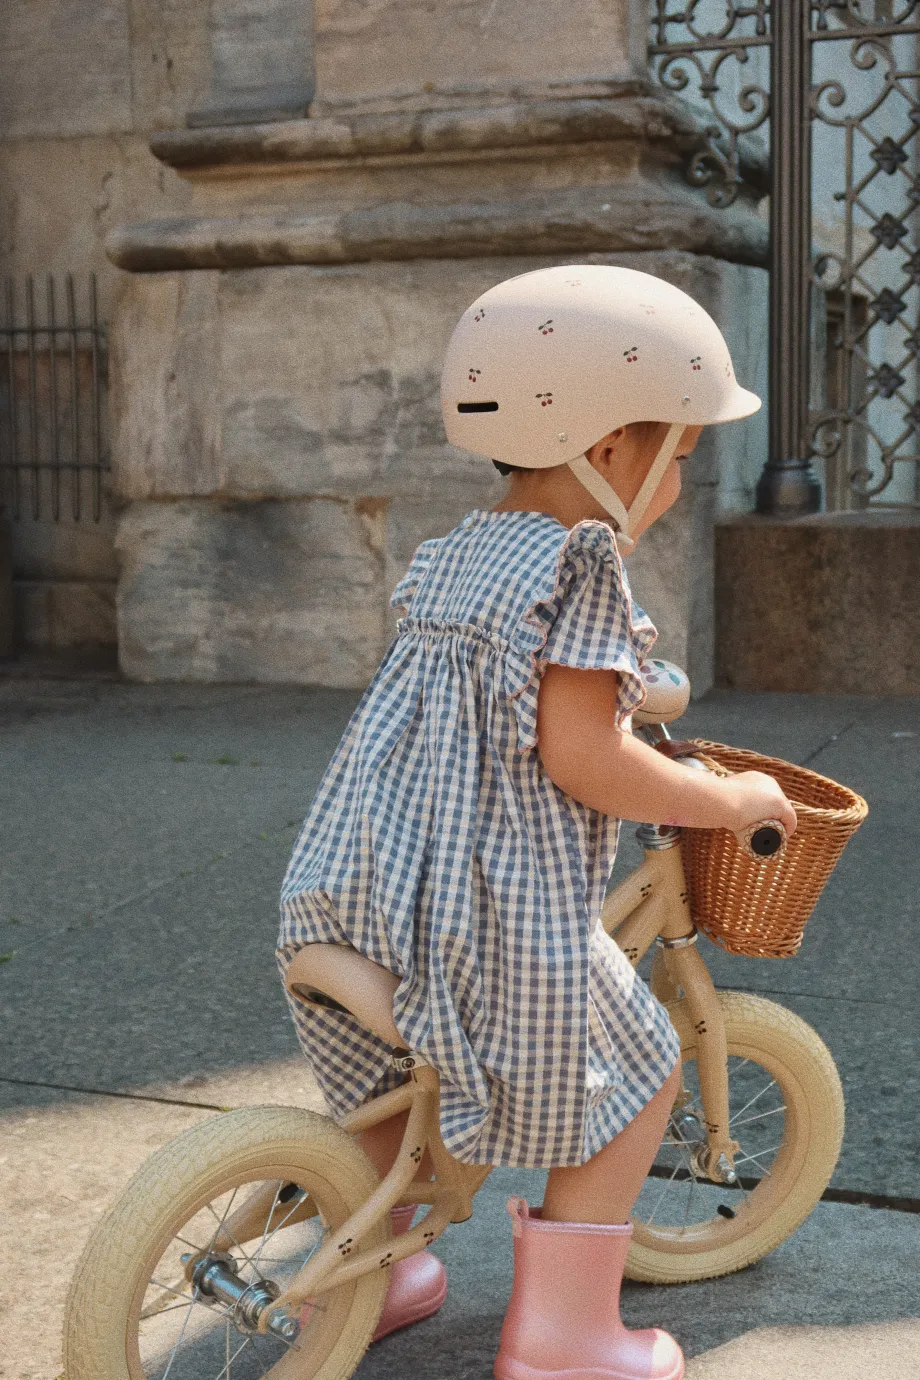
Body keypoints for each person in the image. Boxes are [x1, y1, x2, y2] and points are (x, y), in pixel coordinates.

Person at [277, 264, 797, 1380]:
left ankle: (384, 1261)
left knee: (385, 1078)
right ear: (609, 449)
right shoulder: (581, 560)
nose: (671, 485)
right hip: (481, 912)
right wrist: (723, 798)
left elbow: (491, 687)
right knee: (642, 1066)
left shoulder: (457, 551)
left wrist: (633, 684)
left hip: (352, 883)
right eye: (677, 458)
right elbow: (581, 754)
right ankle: (563, 1335)